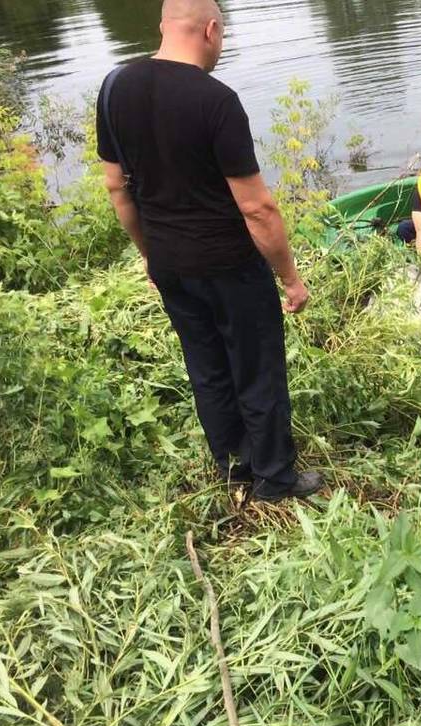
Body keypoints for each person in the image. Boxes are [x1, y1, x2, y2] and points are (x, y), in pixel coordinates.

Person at [95, 0, 321, 501]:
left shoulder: (113, 89)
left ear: (162, 27)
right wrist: (290, 277)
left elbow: (117, 188)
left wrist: (150, 254)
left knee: (207, 367)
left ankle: (234, 468)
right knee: (257, 368)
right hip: (229, 264)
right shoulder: (216, 100)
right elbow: (257, 208)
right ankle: (275, 481)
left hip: (171, 263)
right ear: (212, 30)